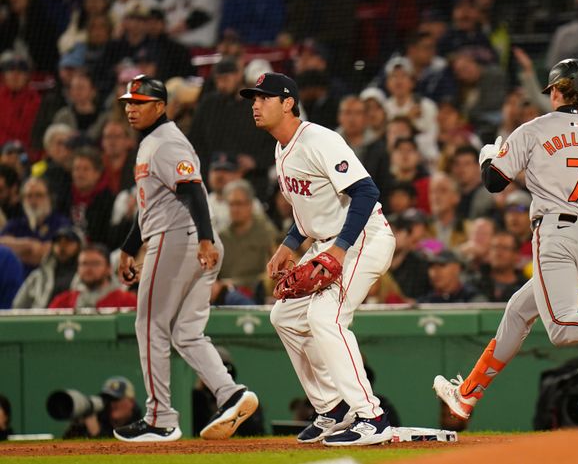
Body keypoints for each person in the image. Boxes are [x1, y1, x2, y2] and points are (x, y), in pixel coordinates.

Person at [434, 58, 578, 422]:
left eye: (553, 90)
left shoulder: (534, 129)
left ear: (559, 90)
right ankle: (466, 395)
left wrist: (487, 158)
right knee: (517, 312)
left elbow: (494, 183)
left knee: (559, 327)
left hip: (556, 236)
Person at [242, 72, 396, 445]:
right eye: (254, 98)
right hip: (327, 241)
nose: (256, 104)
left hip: (362, 238)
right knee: (285, 317)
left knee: (326, 317)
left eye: (264, 98)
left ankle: (371, 415)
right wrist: (289, 244)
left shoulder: (320, 139)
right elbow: (310, 209)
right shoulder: (281, 148)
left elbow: (366, 191)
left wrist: (340, 248)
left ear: (288, 102)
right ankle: (333, 407)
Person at [113, 75, 258, 442]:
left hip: (180, 240)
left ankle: (160, 418)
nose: (131, 108)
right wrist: (130, 247)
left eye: (140, 102)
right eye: (129, 102)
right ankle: (231, 393)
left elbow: (193, 191)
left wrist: (205, 239)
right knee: (185, 332)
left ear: (160, 106)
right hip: (182, 238)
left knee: (149, 325)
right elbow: (150, 207)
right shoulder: (153, 143)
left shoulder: (166, 142)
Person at [63, 376, 141, 439]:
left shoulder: (140, 427)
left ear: (131, 402)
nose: (111, 404)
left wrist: (96, 433)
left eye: (116, 399)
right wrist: (77, 426)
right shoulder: (98, 417)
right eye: (108, 399)